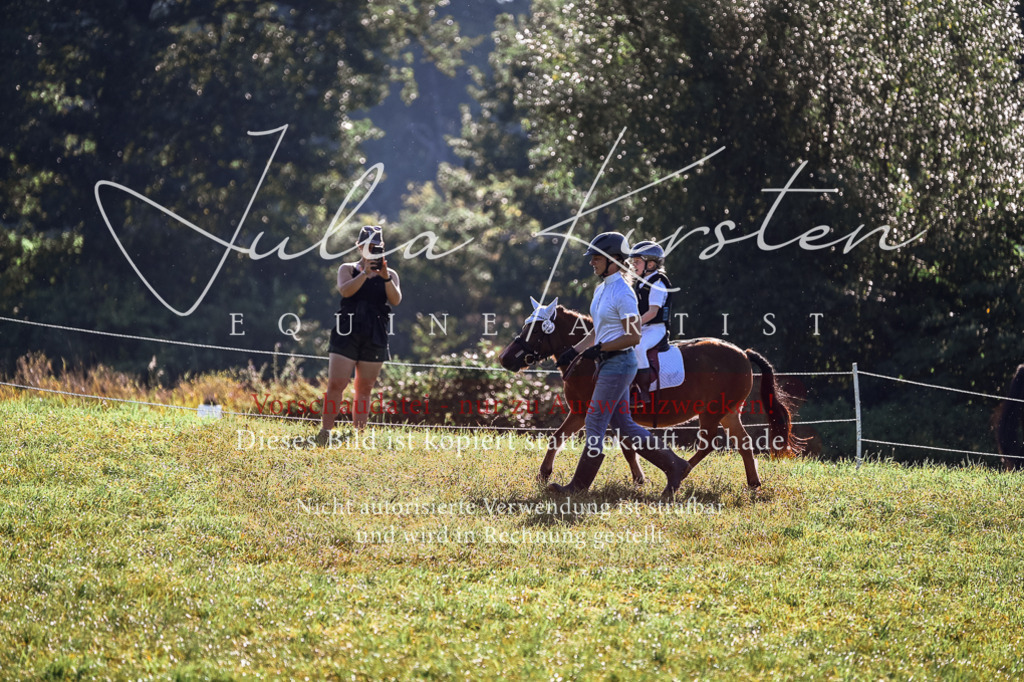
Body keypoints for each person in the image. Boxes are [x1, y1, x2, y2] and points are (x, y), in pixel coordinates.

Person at [554, 232, 690, 498]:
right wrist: (575, 351)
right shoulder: (602, 288)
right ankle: (676, 465)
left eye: (596, 258)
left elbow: (633, 336)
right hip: (606, 363)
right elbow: (599, 331)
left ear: (614, 260)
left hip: (620, 363)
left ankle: (578, 486)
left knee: (594, 418)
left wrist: (601, 349)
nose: (591, 262)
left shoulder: (624, 294)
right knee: (623, 425)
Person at [316, 225, 402, 443]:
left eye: (376, 247)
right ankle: (325, 431)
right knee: (337, 383)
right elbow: (346, 291)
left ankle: (359, 434)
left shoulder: (390, 274)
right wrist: (365, 273)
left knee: (364, 388)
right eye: (368, 246)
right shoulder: (347, 269)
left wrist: (384, 277)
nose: (372, 250)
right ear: (359, 246)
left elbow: (396, 300)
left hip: (376, 332)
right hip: (347, 330)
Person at [629, 240, 673, 405]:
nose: (634, 266)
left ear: (651, 264)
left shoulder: (657, 284)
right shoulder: (642, 282)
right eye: (633, 262)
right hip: (645, 327)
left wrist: (632, 325)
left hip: (656, 329)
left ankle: (644, 392)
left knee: (639, 346)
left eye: (637, 262)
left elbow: (653, 312)